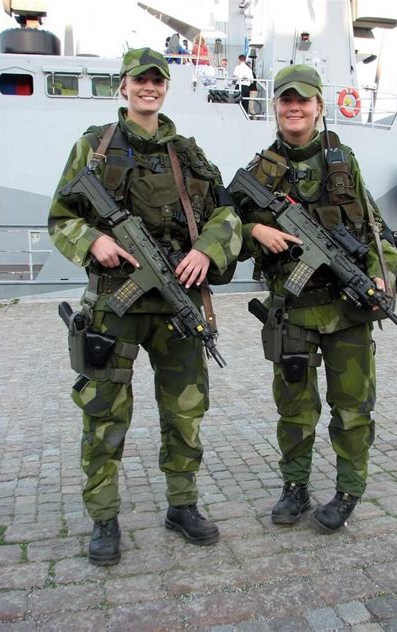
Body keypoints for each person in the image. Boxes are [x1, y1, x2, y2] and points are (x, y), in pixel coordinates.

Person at [48, 47, 242, 564]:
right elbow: (62, 215)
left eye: (157, 81)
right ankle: (104, 518)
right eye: (139, 80)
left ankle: (182, 505)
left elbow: (227, 216)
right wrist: (92, 241)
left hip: (175, 310)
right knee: (105, 415)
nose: (148, 88)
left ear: (165, 88)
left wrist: (208, 248)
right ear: (124, 86)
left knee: (184, 413)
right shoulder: (93, 148)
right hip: (115, 304)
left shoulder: (189, 153)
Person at [230, 65, 397, 532]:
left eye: (303, 100)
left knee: (352, 407)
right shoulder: (258, 170)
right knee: (294, 408)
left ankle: (349, 488)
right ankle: (295, 486)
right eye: (286, 100)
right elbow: (219, 227)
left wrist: (383, 276)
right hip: (293, 311)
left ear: (318, 107)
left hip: (347, 312)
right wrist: (254, 230)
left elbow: (375, 229)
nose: (294, 107)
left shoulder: (343, 162)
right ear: (276, 107)